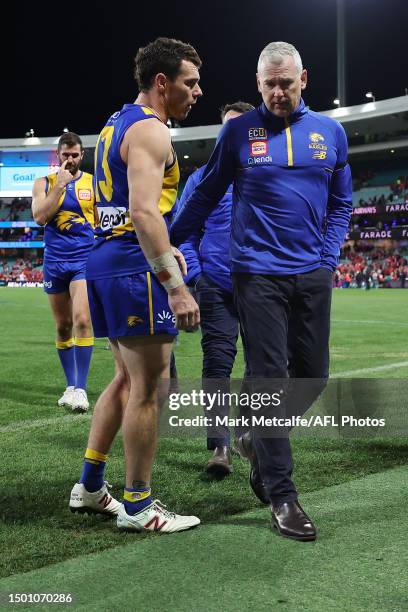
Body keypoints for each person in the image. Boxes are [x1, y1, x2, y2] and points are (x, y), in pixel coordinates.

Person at [172, 41, 352, 541]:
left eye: (286, 84)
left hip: (312, 273)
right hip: (255, 274)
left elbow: (342, 203)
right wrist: (168, 246)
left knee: (312, 377)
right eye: (269, 84)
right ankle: (282, 496)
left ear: (304, 79)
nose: (278, 93)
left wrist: (328, 256)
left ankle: (254, 436)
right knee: (268, 377)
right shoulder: (237, 133)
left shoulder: (331, 133)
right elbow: (206, 193)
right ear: (258, 83)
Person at [69, 37, 202, 533]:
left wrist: (165, 246)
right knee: (150, 387)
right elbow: (144, 213)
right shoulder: (152, 132)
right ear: (162, 83)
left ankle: (89, 486)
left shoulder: (113, 123)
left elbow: (133, 209)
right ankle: (139, 505)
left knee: (125, 380)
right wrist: (175, 285)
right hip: (132, 266)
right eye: (190, 82)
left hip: (106, 258)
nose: (197, 91)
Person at [175, 101, 254, 477]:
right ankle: (219, 445)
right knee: (217, 363)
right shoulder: (203, 178)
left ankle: (249, 435)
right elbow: (184, 232)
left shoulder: (268, 174)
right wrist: (198, 276)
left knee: (265, 366)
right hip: (216, 285)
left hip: (261, 285)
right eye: (226, 128)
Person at [32, 132, 96, 412]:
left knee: (82, 319)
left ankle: (81, 389)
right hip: (55, 262)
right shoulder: (42, 183)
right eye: (65, 155)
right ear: (58, 155)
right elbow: (40, 217)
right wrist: (60, 185)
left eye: (75, 155)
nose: (70, 159)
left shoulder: (94, 183)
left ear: (82, 156)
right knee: (62, 326)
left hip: (85, 259)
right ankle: (70, 385)